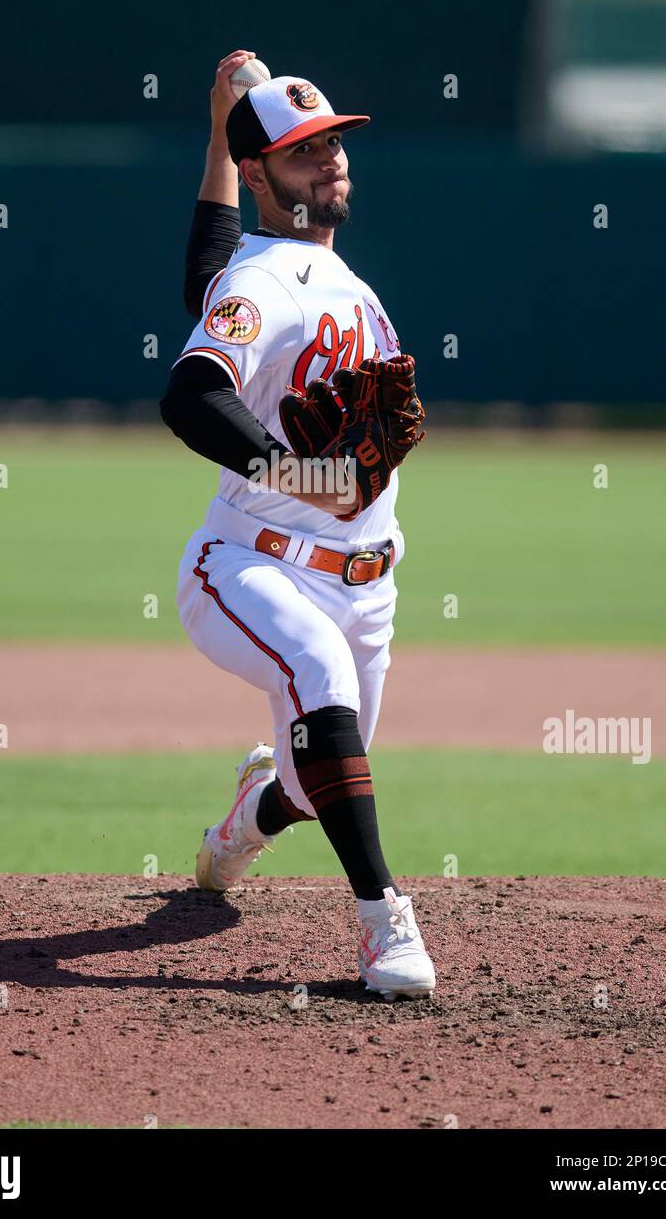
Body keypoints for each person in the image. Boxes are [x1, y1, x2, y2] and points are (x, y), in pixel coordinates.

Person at [160, 50, 436, 1002]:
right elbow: (192, 394)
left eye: (333, 144)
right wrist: (300, 473)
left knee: (318, 771)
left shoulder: (325, 273)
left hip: (367, 580)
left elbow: (205, 265)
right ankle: (383, 923)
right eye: (304, 151)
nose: (330, 162)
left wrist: (217, 128)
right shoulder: (266, 286)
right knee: (317, 680)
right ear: (261, 175)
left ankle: (250, 816)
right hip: (251, 563)